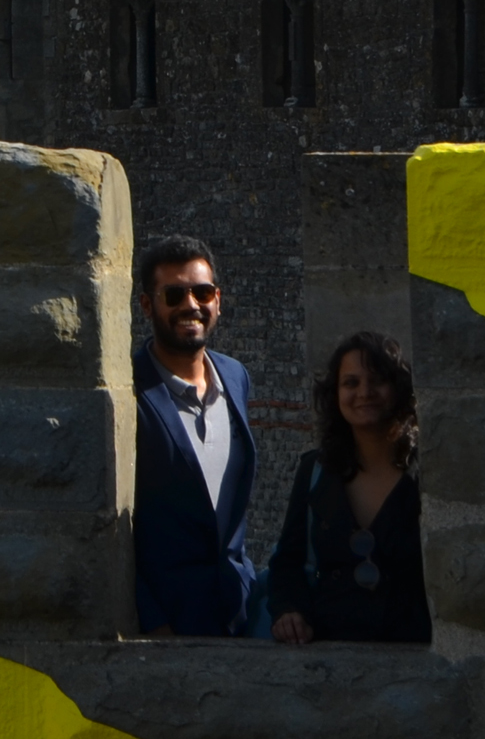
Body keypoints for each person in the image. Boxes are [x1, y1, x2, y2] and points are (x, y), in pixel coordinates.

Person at [130, 234, 259, 637]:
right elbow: (111, 527)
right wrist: (151, 620)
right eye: (174, 295)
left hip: (238, 612)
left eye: (202, 293)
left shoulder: (235, 377)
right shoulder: (125, 390)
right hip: (168, 624)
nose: (191, 305)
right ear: (147, 305)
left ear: (217, 299)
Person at [265, 331, 428, 646]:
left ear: (398, 388)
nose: (364, 392)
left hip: (414, 652)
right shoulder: (315, 471)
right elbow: (287, 562)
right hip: (329, 650)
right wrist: (289, 611)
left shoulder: (427, 474)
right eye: (351, 383)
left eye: (377, 381)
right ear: (335, 394)